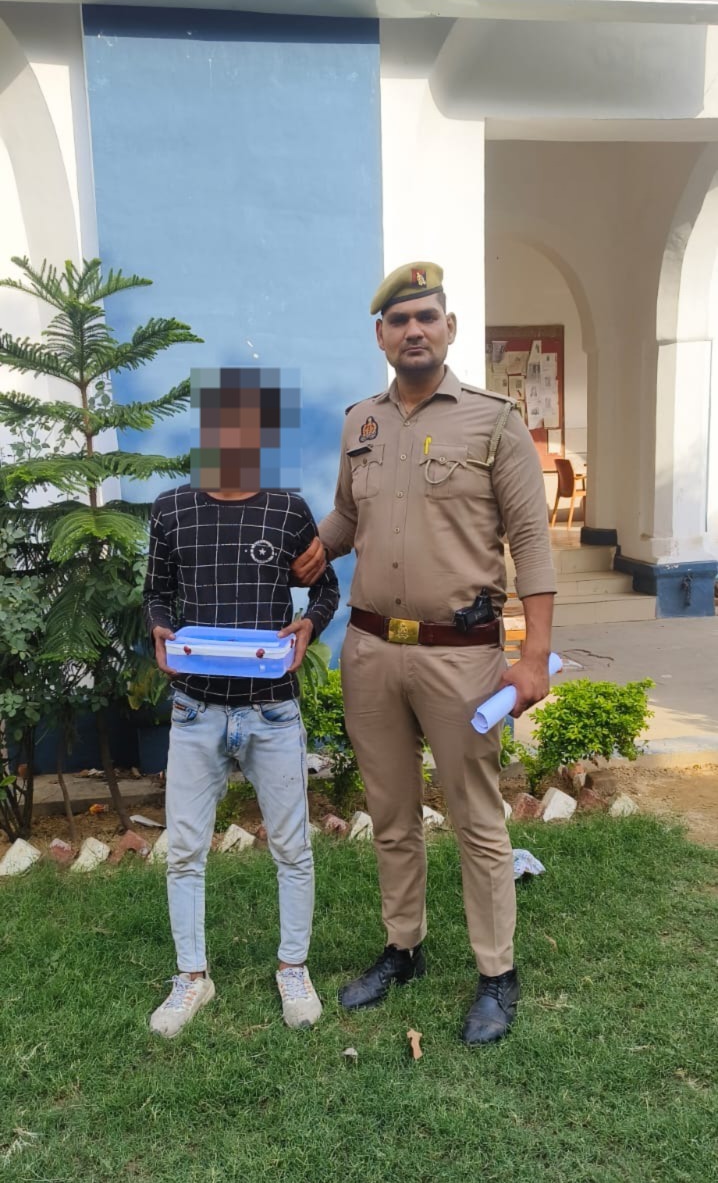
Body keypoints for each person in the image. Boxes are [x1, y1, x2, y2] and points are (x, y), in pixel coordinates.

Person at [294, 263, 556, 1046]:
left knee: (476, 817)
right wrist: (310, 547)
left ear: (449, 328)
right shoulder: (361, 423)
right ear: (381, 335)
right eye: (399, 319)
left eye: (427, 317)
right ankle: (403, 947)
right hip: (372, 649)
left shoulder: (494, 422)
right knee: (391, 812)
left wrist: (534, 657)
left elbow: (532, 542)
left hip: (461, 657)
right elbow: (349, 516)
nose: (414, 330)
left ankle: (497, 972)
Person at [144, 370, 339, 1038]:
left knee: (292, 846)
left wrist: (309, 625)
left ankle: (293, 967)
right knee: (184, 850)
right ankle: (191, 977)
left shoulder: (288, 511)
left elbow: (325, 589)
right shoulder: (171, 510)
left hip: (272, 708)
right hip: (195, 709)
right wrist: (161, 630)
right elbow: (157, 594)